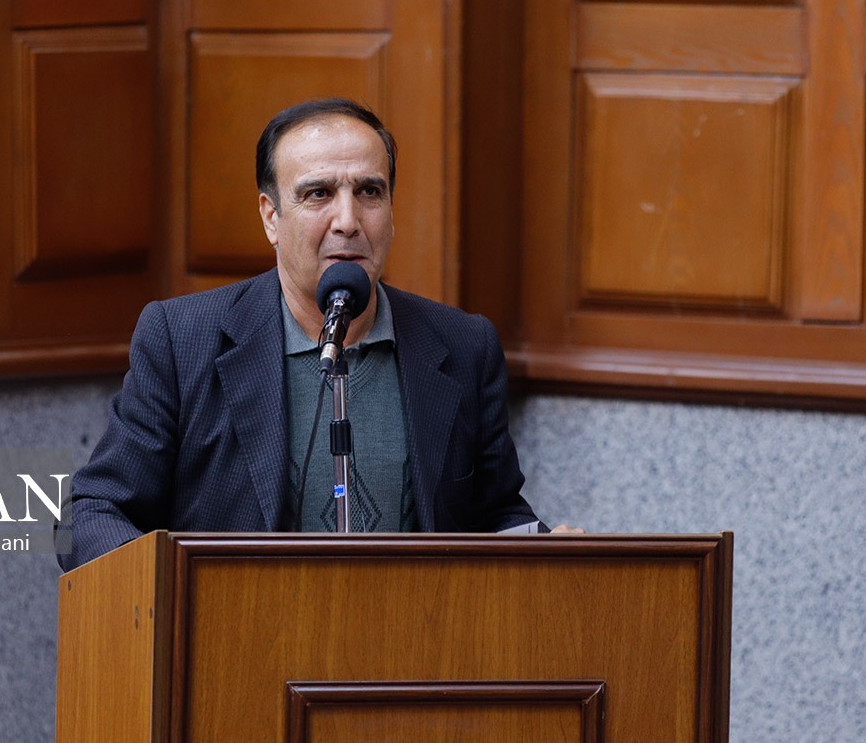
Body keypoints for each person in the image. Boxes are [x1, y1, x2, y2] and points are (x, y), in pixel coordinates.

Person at [59, 98, 576, 571]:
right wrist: (170, 592)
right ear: (271, 217)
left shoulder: (463, 346)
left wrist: (549, 551)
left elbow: (495, 515)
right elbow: (94, 509)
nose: (348, 220)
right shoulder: (182, 340)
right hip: (238, 635)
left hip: (413, 639)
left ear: (391, 212)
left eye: (369, 192)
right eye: (318, 194)